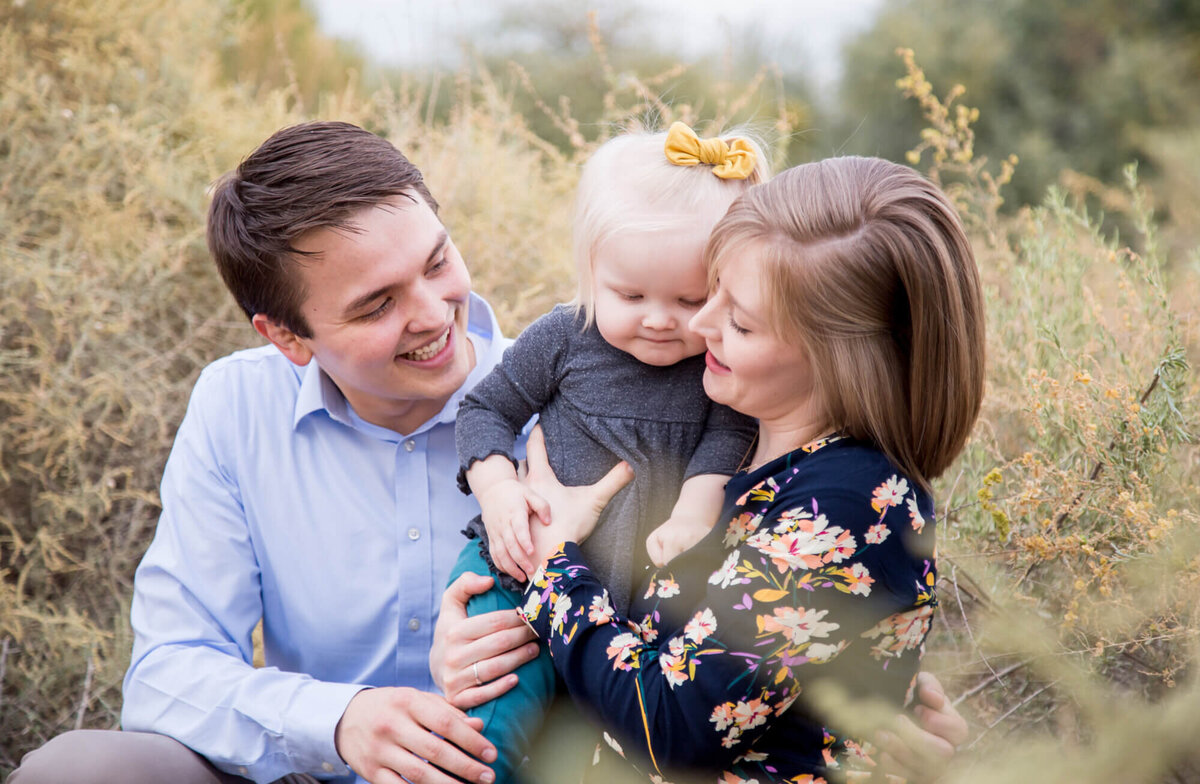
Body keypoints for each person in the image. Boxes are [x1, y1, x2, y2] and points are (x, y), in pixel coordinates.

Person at [10, 124, 967, 784]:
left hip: (548, 762)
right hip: (310, 760)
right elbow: (166, 672)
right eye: (376, 305)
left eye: (435, 264)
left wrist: (842, 695)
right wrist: (342, 719)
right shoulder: (238, 408)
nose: (435, 315)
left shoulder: (597, 408)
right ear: (288, 338)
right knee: (82, 770)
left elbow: (720, 623)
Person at [448, 156, 986, 782]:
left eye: (737, 318)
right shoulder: (734, 440)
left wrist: (552, 564)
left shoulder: (850, 501)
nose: (699, 324)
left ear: (840, 358)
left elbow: (673, 724)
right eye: (714, 289)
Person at [448, 123, 765, 782]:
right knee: (488, 733)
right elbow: (485, 410)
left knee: (587, 747)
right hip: (518, 566)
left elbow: (729, 435)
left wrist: (692, 509)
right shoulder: (565, 337)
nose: (659, 318)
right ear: (590, 271)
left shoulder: (715, 362)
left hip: (625, 600)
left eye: (689, 298)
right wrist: (501, 492)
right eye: (631, 295)